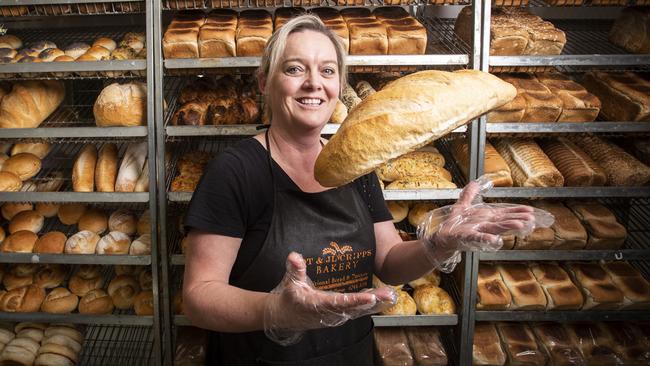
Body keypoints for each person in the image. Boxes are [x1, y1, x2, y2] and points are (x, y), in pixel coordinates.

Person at [183, 14, 536, 366]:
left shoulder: (354, 164)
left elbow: (389, 262)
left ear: (339, 83)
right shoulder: (236, 171)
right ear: (264, 82)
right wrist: (275, 310)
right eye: (294, 69)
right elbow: (198, 297)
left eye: (327, 71)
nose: (313, 84)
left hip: (350, 353)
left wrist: (437, 245)